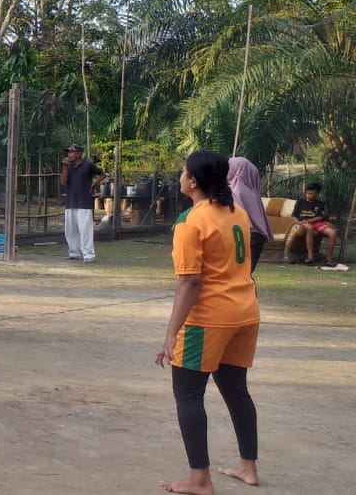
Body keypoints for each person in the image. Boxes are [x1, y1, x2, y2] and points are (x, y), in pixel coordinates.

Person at [155, 150, 260, 494]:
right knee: (236, 390)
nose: (179, 177)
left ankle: (200, 480)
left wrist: (171, 334)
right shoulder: (237, 212)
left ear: (194, 181)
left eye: (182, 172)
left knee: (187, 394)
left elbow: (190, 282)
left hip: (209, 319)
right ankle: (248, 466)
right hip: (245, 313)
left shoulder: (191, 221)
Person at [60, 143, 107, 262]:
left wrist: (94, 184)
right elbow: (63, 183)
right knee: (70, 231)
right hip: (71, 202)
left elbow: (103, 174)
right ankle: (74, 252)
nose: (69, 154)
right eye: (69, 152)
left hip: (84, 202)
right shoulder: (68, 166)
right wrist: (65, 167)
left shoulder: (88, 165)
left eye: (72, 152)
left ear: (79, 154)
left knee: (85, 230)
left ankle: (88, 254)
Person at [227, 157, 272, 271]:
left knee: (238, 278)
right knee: (246, 277)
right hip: (257, 238)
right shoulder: (253, 193)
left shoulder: (235, 191)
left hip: (243, 237)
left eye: (229, 168)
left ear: (237, 170)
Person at [291, 182, 339, 266]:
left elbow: (320, 217)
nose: (308, 195)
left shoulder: (320, 204)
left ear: (317, 194)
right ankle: (310, 256)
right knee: (309, 228)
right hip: (303, 224)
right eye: (307, 193)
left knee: (332, 233)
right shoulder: (300, 202)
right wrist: (298, 223)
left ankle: (329, 259)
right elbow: (294, 216)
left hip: (317, 223)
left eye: (310, 193)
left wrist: (308, 221)